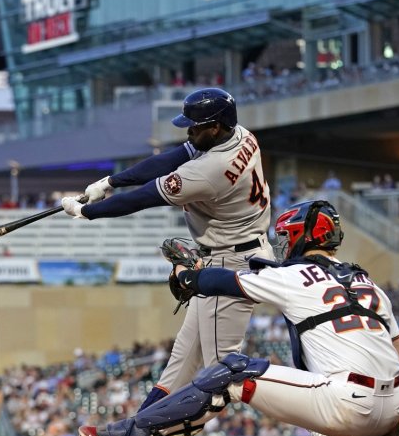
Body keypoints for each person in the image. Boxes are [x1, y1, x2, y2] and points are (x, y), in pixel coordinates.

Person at [78, 200, 399, 436]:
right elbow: (398, 355)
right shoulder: (370, 284)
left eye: (286, 237)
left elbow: (219, 284)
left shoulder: (296, 274)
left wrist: (188, 274)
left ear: (300, 236)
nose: (282, 244)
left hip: (348, 401)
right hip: (397, 397)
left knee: (231, 371)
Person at [60, 88, 274, 418]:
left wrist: (87, 213)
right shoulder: (241, 135)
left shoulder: (210, 169)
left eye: (195, 126)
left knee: (225, 375)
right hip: (234, 253)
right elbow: (172, 157)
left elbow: (144, 197)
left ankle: (313, 408)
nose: (189, 131)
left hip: (229, 263)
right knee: (180, 365)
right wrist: (111, 181)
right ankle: (136, 435)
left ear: (215, 127)